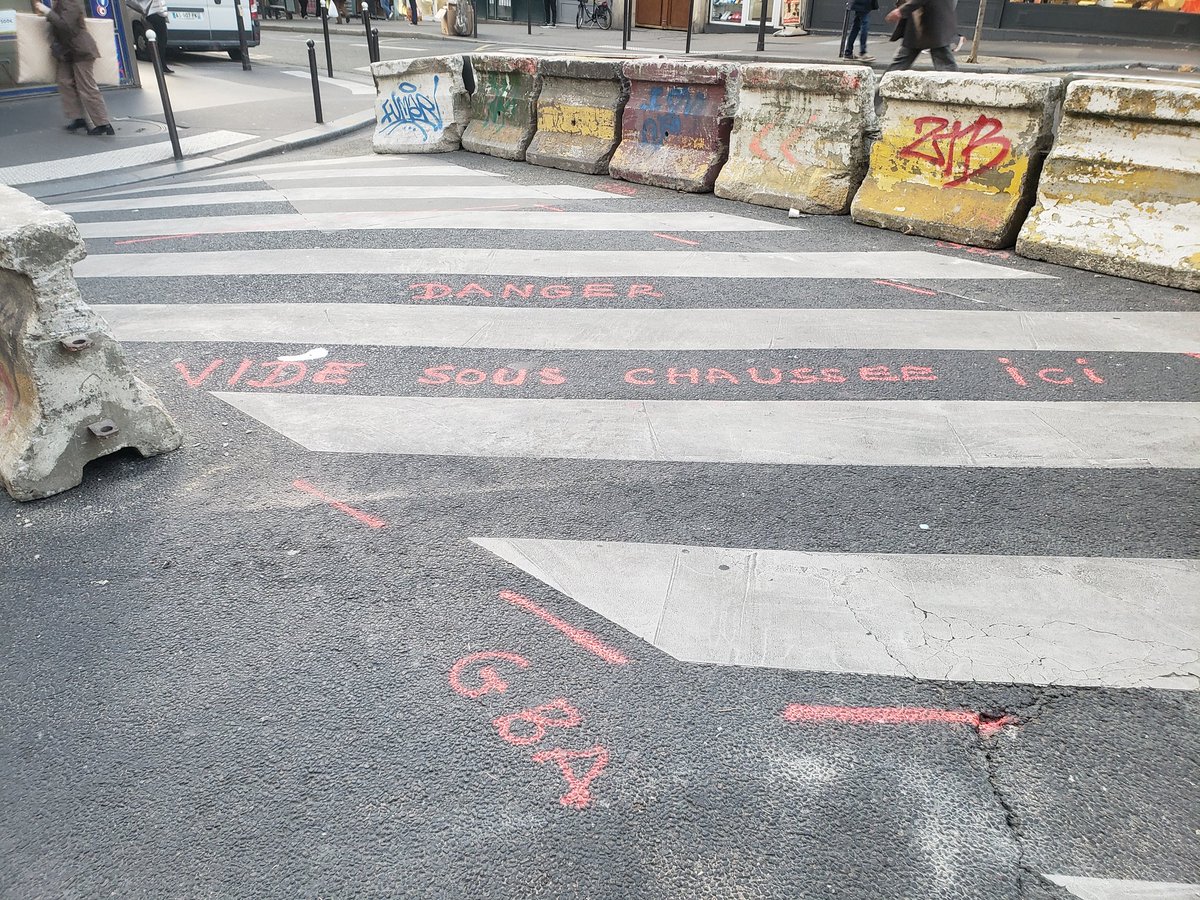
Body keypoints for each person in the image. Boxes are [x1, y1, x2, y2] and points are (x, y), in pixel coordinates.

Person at [33, 0, 114, 135]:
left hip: (81, 50)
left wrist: (47, 12)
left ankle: (103, 123)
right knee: (65, 82)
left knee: (86, 87)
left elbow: (66, 26)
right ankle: (78, 117)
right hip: (68, 51)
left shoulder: (71, 1)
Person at [883, 0, 959, 71]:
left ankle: (886, 82)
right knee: (904, 58)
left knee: (944, 61)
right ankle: (886, 82)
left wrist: (901, 11)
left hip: (930, 20)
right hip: (927, 22)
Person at [141, 0, 174, 72]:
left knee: (160, 40)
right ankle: (161, 65)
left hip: (153, 13)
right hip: (155, 13)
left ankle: (161, 65)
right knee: (161, 41)